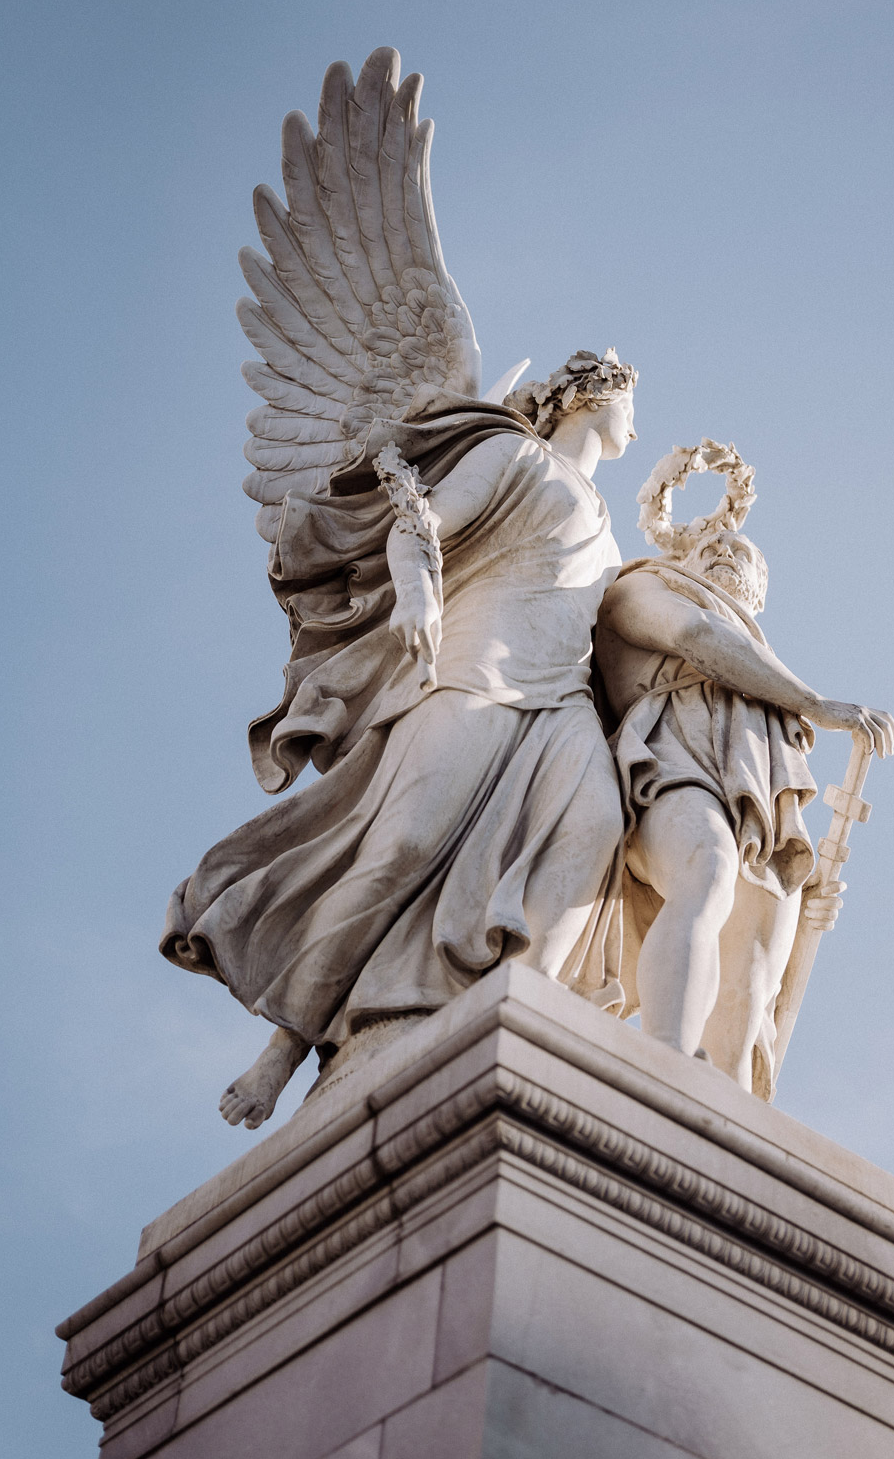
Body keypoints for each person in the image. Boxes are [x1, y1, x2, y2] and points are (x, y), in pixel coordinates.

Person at [162, 351, 637, 1127]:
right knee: (403, 847)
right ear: (588, 397)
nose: (636, 423)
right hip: (476, 664)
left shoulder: (612, 530)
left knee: (594, 831)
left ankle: (524, 1017)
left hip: (564, 697)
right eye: (628, 401)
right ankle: (286, 1048)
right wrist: (417, 595)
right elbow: (420, 526)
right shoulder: (515, 454)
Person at [593, 519, 894, 1097]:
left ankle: (720, 1127)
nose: (726, 552)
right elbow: (697, 636)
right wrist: (816, 704)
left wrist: (811, 902)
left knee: (748, 990)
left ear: (759, 592)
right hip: (670, 764)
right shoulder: (643, 588)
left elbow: (735, 659)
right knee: (705, 869)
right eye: (711, 547)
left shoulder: (763, 673)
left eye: (742, 553)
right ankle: (665, 1063)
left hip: (762, 813)